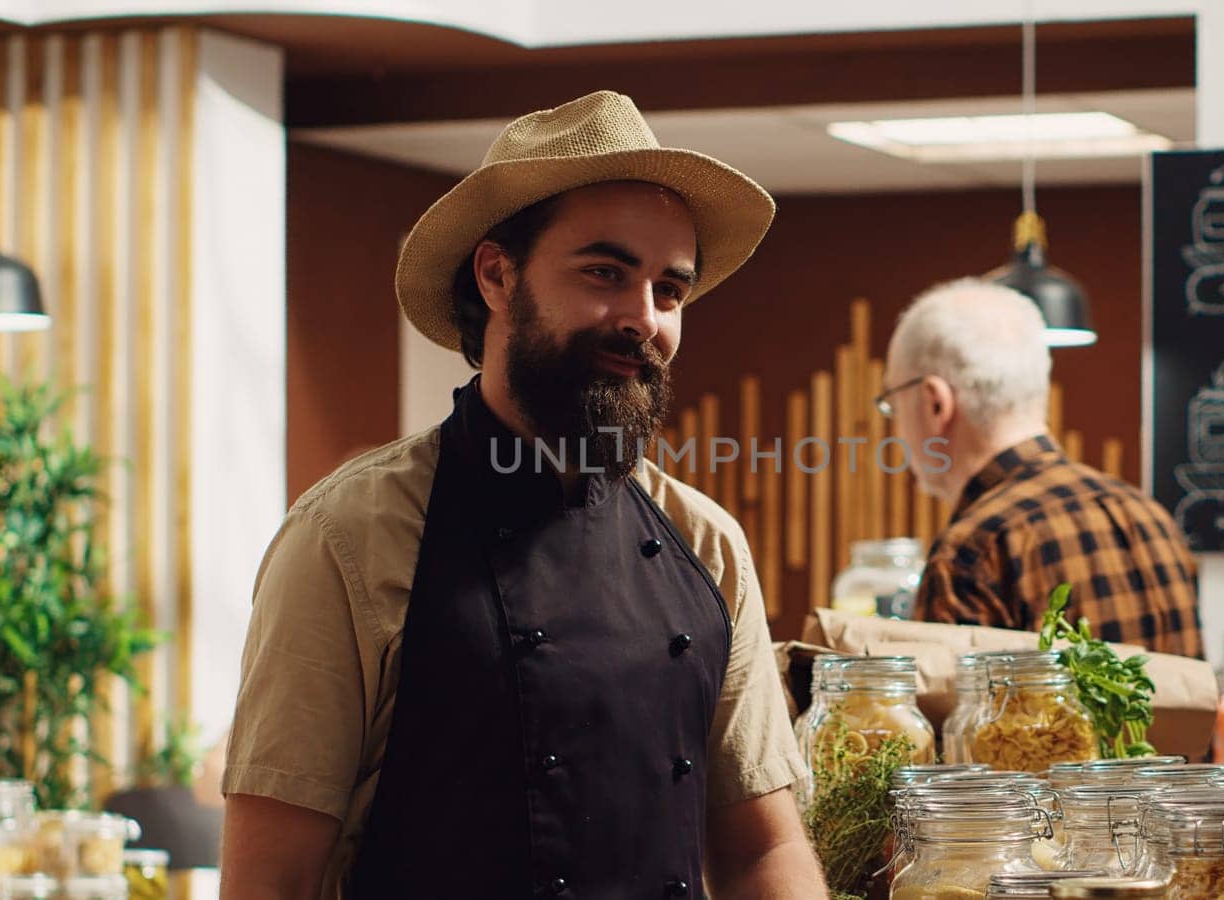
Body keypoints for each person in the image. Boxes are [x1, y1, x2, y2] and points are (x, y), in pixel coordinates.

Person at [219, 91, 826, 899]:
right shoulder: (348, 536)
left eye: (669, 291)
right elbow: (273, 876)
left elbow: (758, 848)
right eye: (606, 273)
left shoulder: (704, 542)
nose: (643, 319)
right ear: (498, 276)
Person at [879, 277, 1203, 659]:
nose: (895, 425)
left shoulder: (973, 552)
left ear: (935, 405)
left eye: (892, 404)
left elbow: (956, 718)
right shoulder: (1150, 516)